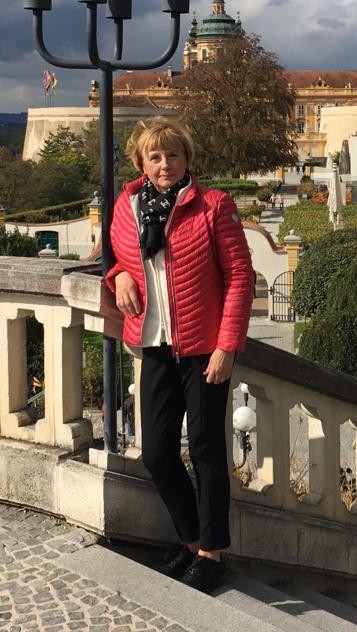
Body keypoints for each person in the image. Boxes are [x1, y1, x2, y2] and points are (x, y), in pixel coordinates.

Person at [106, 117, 253, 594]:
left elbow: (240, 278)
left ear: (187, 159)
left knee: (209, 450)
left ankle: (212, 555)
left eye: (173, 155)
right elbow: (114, 256)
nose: (164, 164)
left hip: (203, 348)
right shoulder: (127, 207)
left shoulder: (213, 204)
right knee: (156, 453)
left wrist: (227, 346)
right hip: (154, 345)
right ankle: (190, 541)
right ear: (141, 164)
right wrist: (119, 278)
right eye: (155, 156)